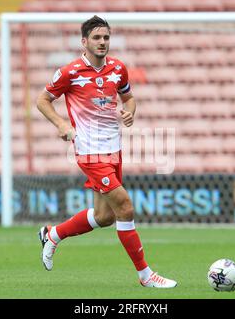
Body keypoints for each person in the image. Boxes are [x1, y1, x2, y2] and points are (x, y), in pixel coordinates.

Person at [36, 15, 177, 288]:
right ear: (84, 41)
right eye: (97, 38)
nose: (102, 42)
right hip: (89, 152)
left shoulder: (118, 68)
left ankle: (52, 234)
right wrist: (61, 123)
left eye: (106, 37)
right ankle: (146, 276)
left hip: (114, 149)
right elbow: (42, 100)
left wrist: (130, 113)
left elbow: (129, 98)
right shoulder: (70, 72)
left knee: (104, 216)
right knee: (125, 207)